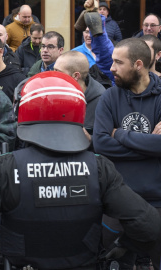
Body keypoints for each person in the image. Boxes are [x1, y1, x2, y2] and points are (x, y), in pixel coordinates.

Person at [0, 71, 161, 270]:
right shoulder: (99, 167)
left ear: (24, 112)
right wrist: (122, 246)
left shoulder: (4, 168)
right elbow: (149, 223)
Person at [93, 38, 161, 270]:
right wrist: (150, 145)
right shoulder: (109, 97)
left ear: (138, 65)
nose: (111, 68)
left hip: (157, 200)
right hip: (117, 201)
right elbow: (101, 143)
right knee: (115, 263)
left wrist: (119, 134)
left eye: (118, 62)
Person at [54, 51, 105, 137]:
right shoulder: (53, 91)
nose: (53, 75)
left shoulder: (100, 101)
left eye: (58, 71)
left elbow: (104, 139)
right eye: (53, 69)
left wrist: (90, 139)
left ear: (76, 76)